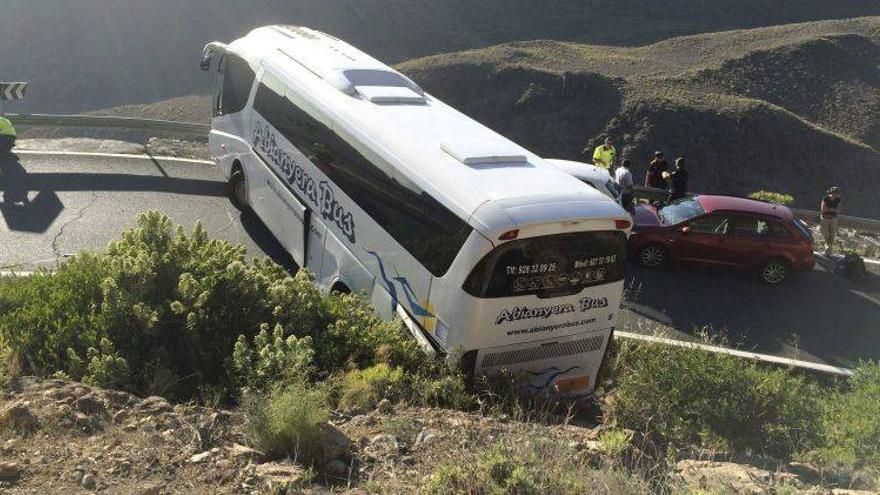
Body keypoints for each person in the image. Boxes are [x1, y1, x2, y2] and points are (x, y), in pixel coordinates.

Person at [820, 187, 842, 256]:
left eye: (836, 194)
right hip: (825, 218)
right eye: (834, 193)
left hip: (833, 218)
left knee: (832, 234)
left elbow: (839, 210)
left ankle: (828, 250)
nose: (835, 195)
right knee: (826, 234)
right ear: (831, 193)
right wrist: (833, 209)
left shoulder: (838, 200)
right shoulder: (825, 199)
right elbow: (823, 209)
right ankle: (827, 247)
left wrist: (830, 209)